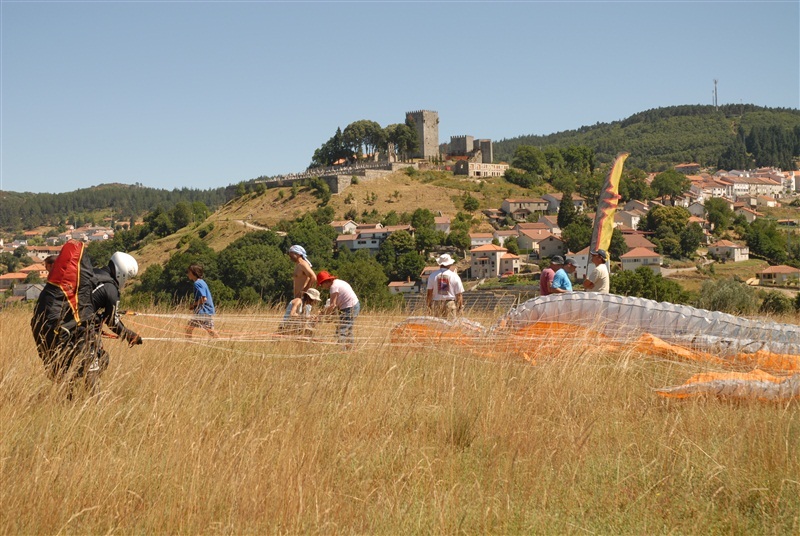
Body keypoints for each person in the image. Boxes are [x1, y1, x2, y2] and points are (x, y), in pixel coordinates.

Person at [31, 251, 143, 396]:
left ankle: (68, 399)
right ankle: (92, 402)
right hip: (70, 330)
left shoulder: (92, 274)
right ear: (122, 273)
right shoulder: (111, 289)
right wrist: (129, 335)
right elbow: (112, 321)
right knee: (96, 362)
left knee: (73, 367)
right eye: (127, 278)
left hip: (49, 326)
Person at [317, 270, 360, 349]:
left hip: (349, 307)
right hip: (353, 306)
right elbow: (335, 305)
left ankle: (341, 350)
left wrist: (322, 315)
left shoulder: (333, 287)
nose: (322, 287)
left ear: (325, 282)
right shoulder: (338, 282)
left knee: (342, 330)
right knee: (348, 329)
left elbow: (332, 305)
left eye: (321, 284)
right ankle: (350, 348)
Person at [426, 253, 464, 318]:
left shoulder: (432, 276)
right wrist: (460, 307)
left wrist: (429, 306)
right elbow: (459, 294)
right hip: (450, 303)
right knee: (450, 325)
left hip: (437, 304)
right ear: (449, 264)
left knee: (437, 325)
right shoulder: (454, 276)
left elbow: (429, 293)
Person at [185, 264, 218, 338]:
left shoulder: (197, 283)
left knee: (188, 329)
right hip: (205, 311)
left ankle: (188, 346)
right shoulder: (202, 282)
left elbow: (203, 299)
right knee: (210, 330)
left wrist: (193, 305)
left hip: (203, 311)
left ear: (194, 273)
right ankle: (221, 342)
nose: (188, 274)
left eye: (189, 272)